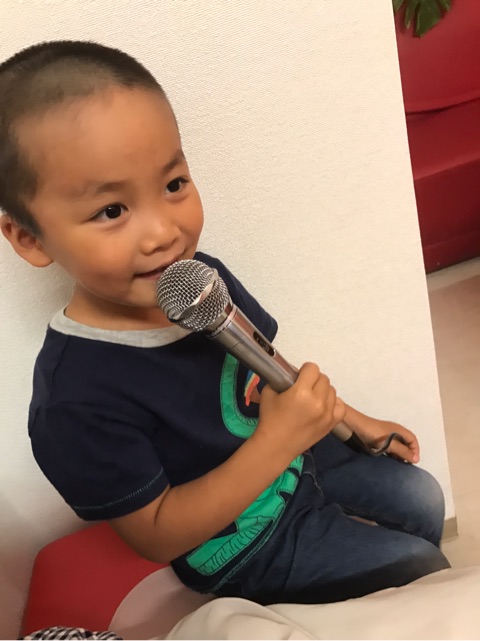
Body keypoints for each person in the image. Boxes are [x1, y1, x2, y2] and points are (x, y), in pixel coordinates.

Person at [0, 40, 450, 605]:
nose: (164, 232)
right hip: (241, 542)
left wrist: (352, 420)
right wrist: (278, 441)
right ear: (30, 239)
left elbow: (268, 363)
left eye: (173, 185)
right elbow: (157, 536)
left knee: (424, 500)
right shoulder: (73, 401)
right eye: (112, 211)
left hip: (294, 457)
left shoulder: (197, 280)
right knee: (420, 566)